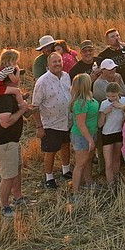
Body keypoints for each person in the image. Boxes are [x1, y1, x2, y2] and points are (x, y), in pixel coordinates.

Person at [0, 68, 33, 218]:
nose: (19, 77)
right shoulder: (4, 99)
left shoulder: (5, 94)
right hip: (4, 142)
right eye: (16, 74)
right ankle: (4, 206)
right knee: (8, 176)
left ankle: (18, 197)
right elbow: (5, 122)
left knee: (16, 168)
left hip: (11, 141)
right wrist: (23, 110)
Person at [30, 52, 73, 190]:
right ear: (48, 64)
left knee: (66, 145)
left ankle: (66, 170)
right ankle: (49, 177)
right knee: (51, 151)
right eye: (54, 62)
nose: (57, 64)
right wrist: (39, 126)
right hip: (51, 123)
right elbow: (35, 106)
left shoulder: (66, 76)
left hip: (67, 121)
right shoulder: (42, 82)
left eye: (59, 61)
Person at [68, 72, 98, 198]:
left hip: (91, 133)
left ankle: (88, 182)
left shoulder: (89, 97)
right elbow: (81, 124)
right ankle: (75, 193)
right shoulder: (80, 103)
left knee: (88, 160)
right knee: (80, 164)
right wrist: (90, 140)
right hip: (82, 136)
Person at [97, 81, 125, 188]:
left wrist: (122, 107)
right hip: (107, 134)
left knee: (117, 158)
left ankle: (116, 179)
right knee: (108, 162)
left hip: (119, 132)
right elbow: (100, 124)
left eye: (114, 96)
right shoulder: (104, 103)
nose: (111, 98)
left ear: (118, 93)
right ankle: (110, 184)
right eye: (109, 96)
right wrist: (104, 113)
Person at [99, 28, 125, 92]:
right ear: (107, 41)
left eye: (117, 35)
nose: (116, 38)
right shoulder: (103, 55)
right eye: (113, 37)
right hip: (114, 86)